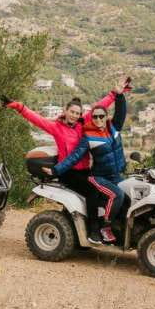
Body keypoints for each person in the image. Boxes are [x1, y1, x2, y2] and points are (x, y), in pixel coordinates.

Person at [3, 84, 118, 234]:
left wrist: (114, 93)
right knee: (92, 193)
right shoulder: (56, 127)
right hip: (68, 172)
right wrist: (19, 106)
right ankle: (93, 231)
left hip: (86, 170)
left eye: (77, 113)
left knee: (107, 191)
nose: (74, 115)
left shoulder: (81, 124)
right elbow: (36, 119)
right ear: (65, 111)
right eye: (72, 112)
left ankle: (107, 225)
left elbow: (99, 108)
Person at [50, 76, 131, 243]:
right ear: (90, 119)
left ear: (106, 116)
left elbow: (121, 113)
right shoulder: (88, 136)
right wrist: (55, 170)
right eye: (95, 117)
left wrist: (119, 95)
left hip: (116, 175)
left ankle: (121, 232)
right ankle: (102, 227)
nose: (99, 120)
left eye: (102, 116)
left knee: (128, 200)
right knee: (118, 196)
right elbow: (73, 157)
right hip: (99, 177)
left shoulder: (112, 128)